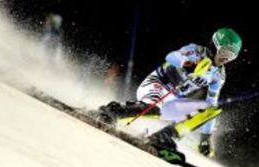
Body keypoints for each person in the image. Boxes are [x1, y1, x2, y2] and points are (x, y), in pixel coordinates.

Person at [99, 27, 242, 157]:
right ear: (215, 45)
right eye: (224, 53)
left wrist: (206, 136)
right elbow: (171, 56)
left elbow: (212, 102)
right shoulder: (196, 51)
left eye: (230, 57)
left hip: (173, 100)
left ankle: (163, 136)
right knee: (154, 108)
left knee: (211, 110)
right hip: (158, 84)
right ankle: (113, 111)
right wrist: (186, 63)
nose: (225, 59)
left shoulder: (219, 75)